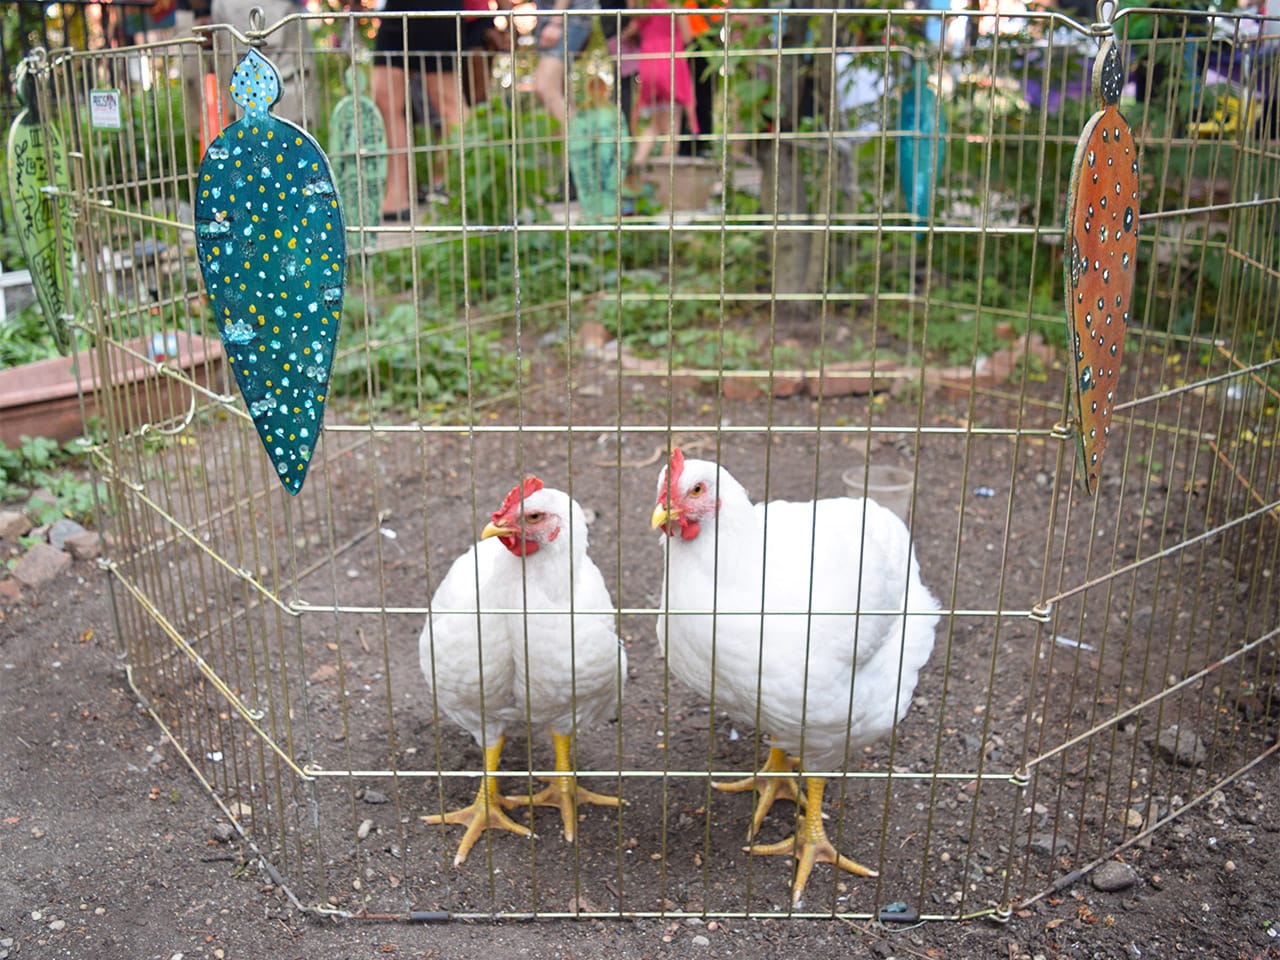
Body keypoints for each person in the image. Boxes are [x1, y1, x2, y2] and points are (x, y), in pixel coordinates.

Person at [372, 0, 468, 221]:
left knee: (447, 99)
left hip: (436, 7)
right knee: (384, 97)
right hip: (395, 8)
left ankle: (466, 188)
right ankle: (396, 195)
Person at [626, 0, 697, 172]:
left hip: (649, 63)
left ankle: (636, 166)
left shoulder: (644, 4)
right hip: (670, 59)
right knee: (673, 125)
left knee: (655, 125)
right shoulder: (675, 3)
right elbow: (687, 36)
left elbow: (630, 31)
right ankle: (666, 176)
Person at [532, 0, 599, 127]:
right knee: (561, 91)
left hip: (566, 18)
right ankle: (575, 135)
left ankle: (580, 137)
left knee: (545, 87)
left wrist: (556, 22)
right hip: (552, 18)